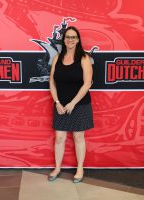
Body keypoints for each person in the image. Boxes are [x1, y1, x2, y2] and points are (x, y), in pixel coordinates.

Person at [49, 26, 94, 183]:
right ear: (64, 39)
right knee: (59, 137)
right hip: (61, 105)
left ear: (78, 39)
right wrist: (57, 102)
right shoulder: (57, 58)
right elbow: (52, 82)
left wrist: (73, 103)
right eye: (68, 37)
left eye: (73, 37)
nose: (70, 39)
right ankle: (57, 167)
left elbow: (87, 83)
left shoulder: (84, 58)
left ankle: (80, 168)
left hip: (80, 105)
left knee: (78, 136)